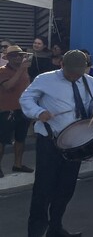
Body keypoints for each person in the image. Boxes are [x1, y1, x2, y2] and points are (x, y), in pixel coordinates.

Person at [20, 50, 93, 237]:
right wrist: (38, 112)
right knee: (43, 190)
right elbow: (25, 99)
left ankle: (55, 228)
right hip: (49, 142)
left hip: (75, 143)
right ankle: (35, 232)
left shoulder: (89, 82)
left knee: (66, 188)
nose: (75, 76)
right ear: (61, 65)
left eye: (79, 72)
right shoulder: (45, 79)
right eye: (71, 73)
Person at [0, 45, 34, 177]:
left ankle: (18, 164)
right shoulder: (2, 71)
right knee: (2, 140)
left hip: (23, 109)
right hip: (7, 110)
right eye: (14, 56)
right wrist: (21, 70)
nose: (18, 58)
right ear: (8, 58)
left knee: (21, 138)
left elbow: (27, 86)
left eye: (20, 55)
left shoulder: (24, 70)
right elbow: (8, 86)